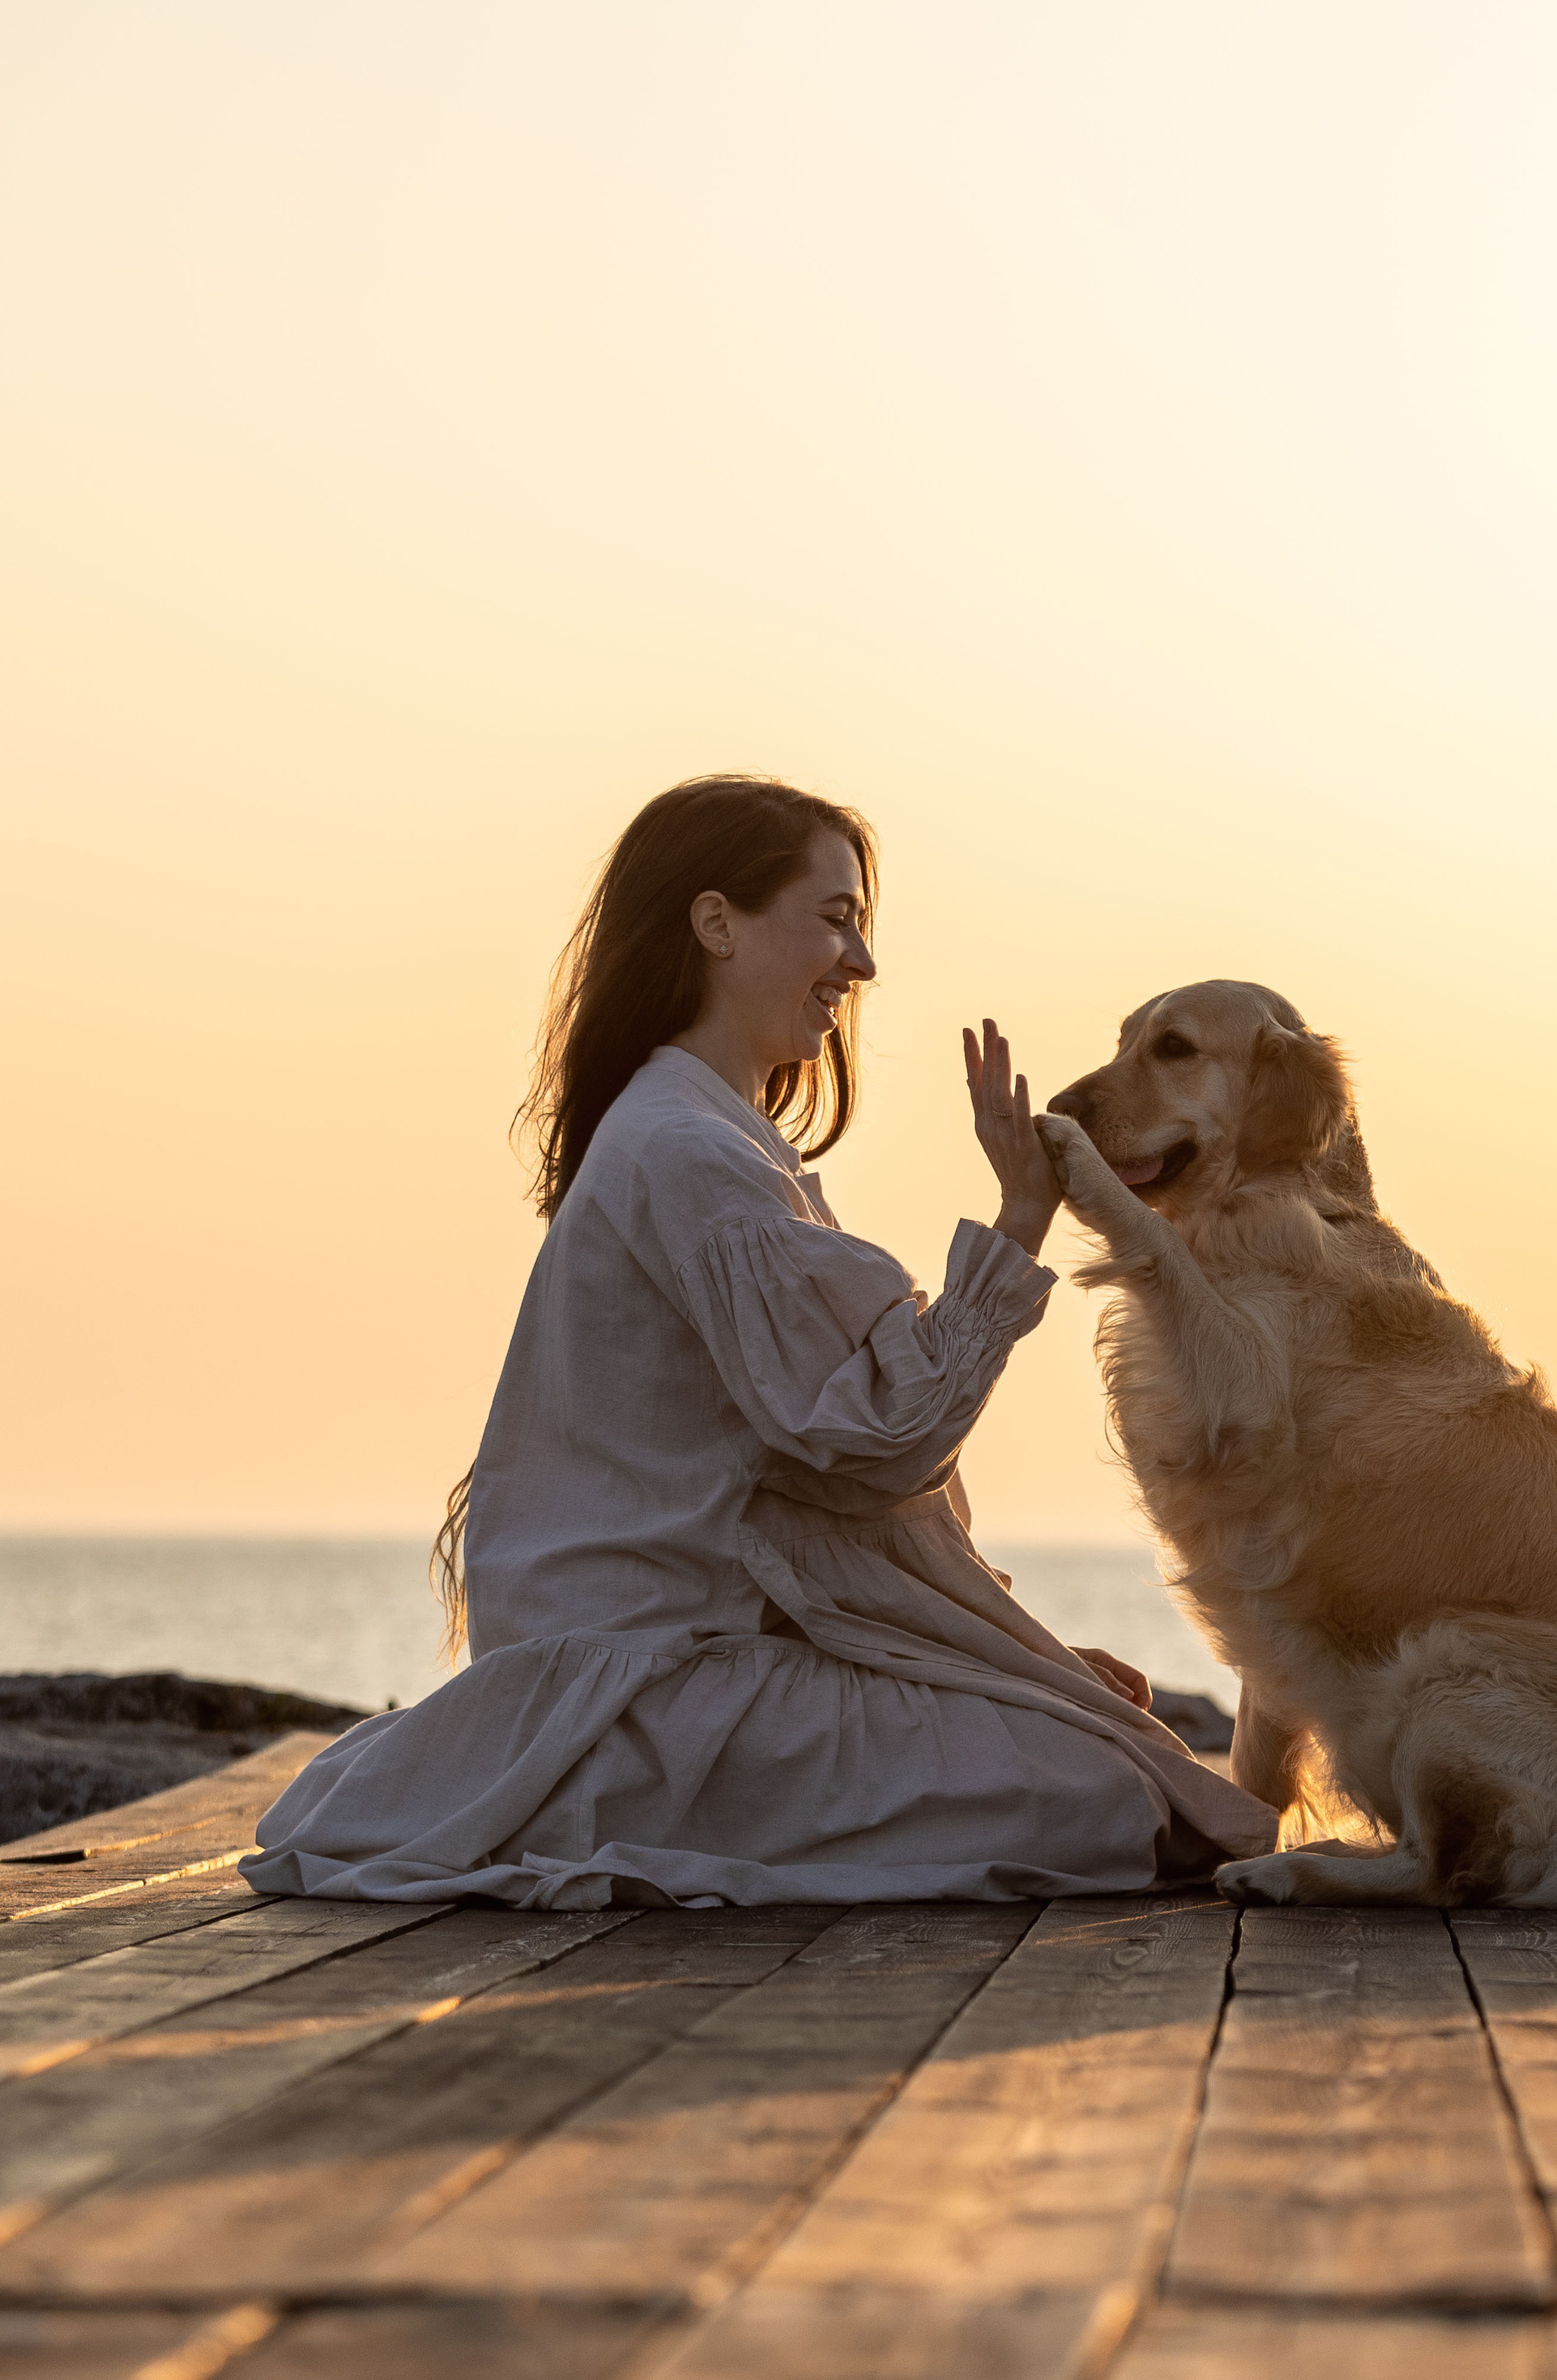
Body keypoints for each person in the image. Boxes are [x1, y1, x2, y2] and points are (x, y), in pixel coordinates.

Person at [245, 775, 1273, 1907]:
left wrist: (1015, 1671)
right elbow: (874, 1445)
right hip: (662, 1701)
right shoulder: (689, 1151)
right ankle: (602, 1800)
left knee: (1137, 1769)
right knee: (1118, 1804)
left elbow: (816, 1495)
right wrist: (1020, 1216)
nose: (863, 962)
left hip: (718, 1671)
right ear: (717, 923)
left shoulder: (707, 1138)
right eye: (834, 918)